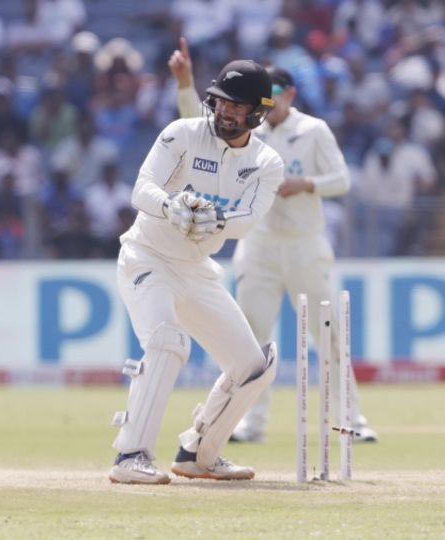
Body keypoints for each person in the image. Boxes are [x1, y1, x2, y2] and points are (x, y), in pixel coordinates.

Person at [169, 38, 378, 443]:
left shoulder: (312, 130)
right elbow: (196, 124)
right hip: (259, 246)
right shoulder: (249, 130)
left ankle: (352, 418)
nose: (271, 102)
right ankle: (248, 424)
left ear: (290, 95)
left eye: (277, 94)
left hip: (304, 244)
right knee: (250, 338)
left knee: (329, 332)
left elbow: (343, 180)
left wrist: (305, 183)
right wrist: (185, 83)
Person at [109, 58, 284, 484]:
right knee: (167, 341)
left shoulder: (267, 162)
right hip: (147, 255)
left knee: (253, 365)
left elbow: (249, 220)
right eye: (221, 103)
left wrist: (217, 222)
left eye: (237, 107)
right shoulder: (182, 133)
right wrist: (170, 204)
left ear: (257, 112)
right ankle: (131, 455)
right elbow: (141, 188)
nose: (225, 112)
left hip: (196, 269)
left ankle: (198, 453)